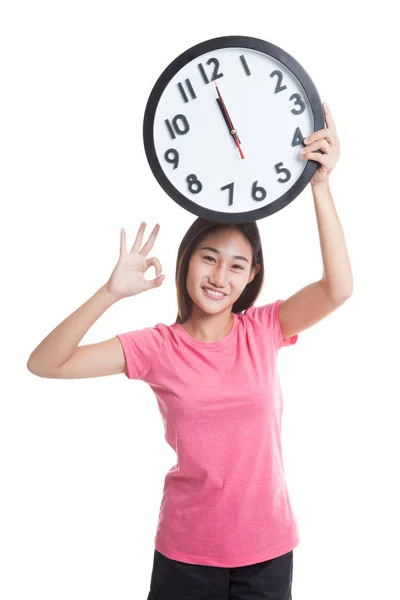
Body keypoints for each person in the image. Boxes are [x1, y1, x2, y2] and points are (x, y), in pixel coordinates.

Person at [27, 102, 353, 599]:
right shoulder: (157, 346)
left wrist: (321, 187)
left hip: (267, 550)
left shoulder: (264, 329)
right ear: (187, 261)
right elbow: (45, 363)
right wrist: (109, 292)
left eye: (237, 266)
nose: (220, 277)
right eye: (209, 258)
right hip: (185, 553)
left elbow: (338, 289)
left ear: (250, 279)